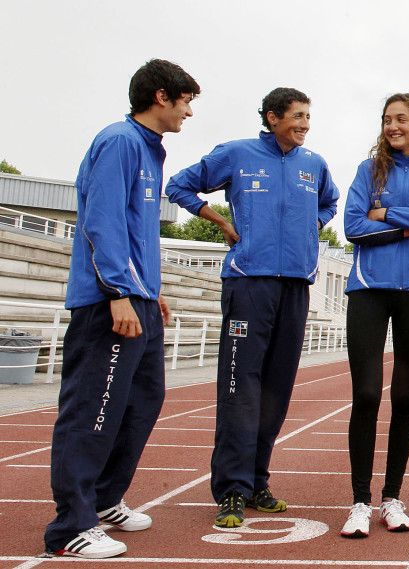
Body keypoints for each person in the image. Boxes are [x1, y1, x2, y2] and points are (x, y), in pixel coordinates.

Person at [44, 59, 199, 559]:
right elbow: (102, 221)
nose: (189, 113)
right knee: (92, 410)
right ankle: (71, 524)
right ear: (161, 97)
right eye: (186, 101)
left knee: (141, 404)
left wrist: (150, 291)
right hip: (107, 303)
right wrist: (118, 292)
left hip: (139, 300)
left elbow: (137, 234)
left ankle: (106, 499)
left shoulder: (150, 152)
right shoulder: (119, 142)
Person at [165, 87, 338, 528]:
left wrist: (309, 227)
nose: (304, 124)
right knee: (242, 389)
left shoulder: (313, 165)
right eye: (297, 116)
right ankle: (232, 491)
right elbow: (179, 185)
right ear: (272, 116)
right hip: (248, 284)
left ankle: (258, 482)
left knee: (277, 391)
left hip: (296, 287)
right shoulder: (237, 154)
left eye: (307, 117)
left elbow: (329, 202)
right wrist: (221, 220)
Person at [338, 93, 409, 538]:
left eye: (400, 119)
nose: (392, 126)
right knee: (366, 394)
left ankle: (392, 497)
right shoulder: (369, 171)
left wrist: (386, 215)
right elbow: (352, 227)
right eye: (387, 120)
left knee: (405, 397)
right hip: (369, 290)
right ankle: (359, 502)